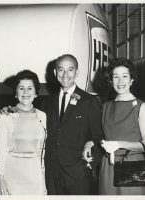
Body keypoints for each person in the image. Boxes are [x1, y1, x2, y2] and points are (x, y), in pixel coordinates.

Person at [43, 54, 103, 195]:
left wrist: (88, 166)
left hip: (78, 175)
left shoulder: (89, 101)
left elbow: (99, 137)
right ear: (55, 72)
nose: (65, 74)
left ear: (77, 72)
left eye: (70, 70)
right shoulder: (46, 102)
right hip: (51, 174)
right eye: (61, 69)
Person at [99, 58, 145, 195]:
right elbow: (102, 136)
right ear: (111, 81)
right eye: (115, 77)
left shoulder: (141, 106)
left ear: (132, 80)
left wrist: (119, 144)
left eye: (125, 76)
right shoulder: (105, 107)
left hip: (132, 165)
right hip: (108, 165)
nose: (120, 81)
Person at [0, 70, 47, 195]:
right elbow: (0, 150)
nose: (25, 92)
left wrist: (43, 180)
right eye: (21, 88)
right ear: (15, 93)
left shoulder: (42, 116)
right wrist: (0, 178)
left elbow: (42, 152)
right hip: (12, 173)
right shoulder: (5, 116)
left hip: (35, 174)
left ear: (36, 93)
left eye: (30, 88)